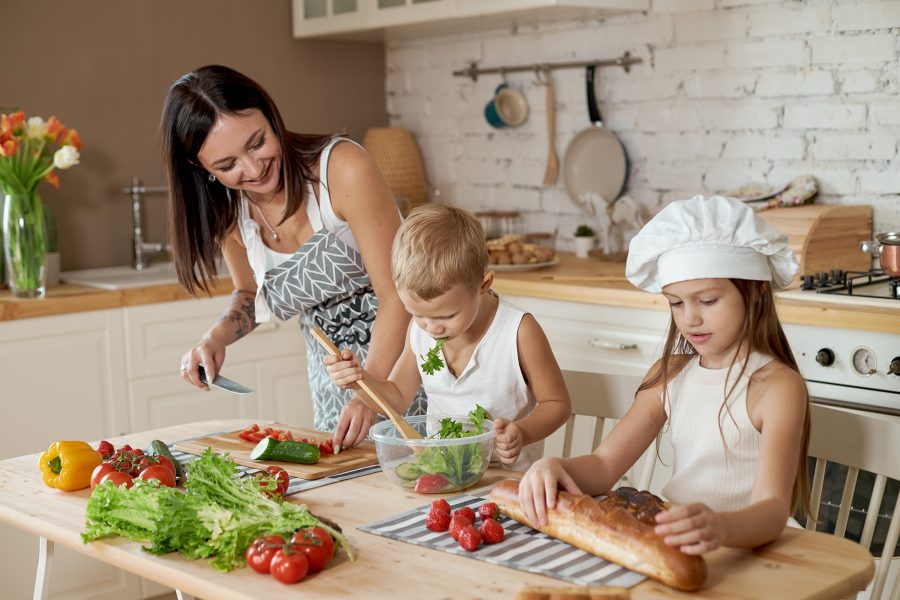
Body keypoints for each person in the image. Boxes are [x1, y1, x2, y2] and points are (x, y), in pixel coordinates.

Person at [517, 194, 811, 554]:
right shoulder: (671, 374)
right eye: (675, 302)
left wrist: (719, 526)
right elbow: (604, 464)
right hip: (679, 546)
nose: (690, 318)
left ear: (757, 293)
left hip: (748, 553)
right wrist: (553, 467)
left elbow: (772, 510)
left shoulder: (776, 387)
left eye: (708, 300)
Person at [160, 64, 425, 448]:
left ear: (270, 115)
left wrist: (371, 393)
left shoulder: (342, 169)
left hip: (408, 366)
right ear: (199, 168)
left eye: (257, 143)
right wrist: (215, 338)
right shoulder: (231, 212)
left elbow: (398, 295)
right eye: (227, 165)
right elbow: (250, 294)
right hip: (334, 386)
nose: (253, 168)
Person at [323, 204, 571, 470]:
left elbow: (557, 404)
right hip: (444, 475)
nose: (432, 328)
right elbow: (395, 397)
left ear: (483, 285)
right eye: (418, 314)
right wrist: (360, 381)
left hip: (508, 482)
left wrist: (522, 432)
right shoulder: (419, 331)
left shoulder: (518, 331)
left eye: (446, 316)